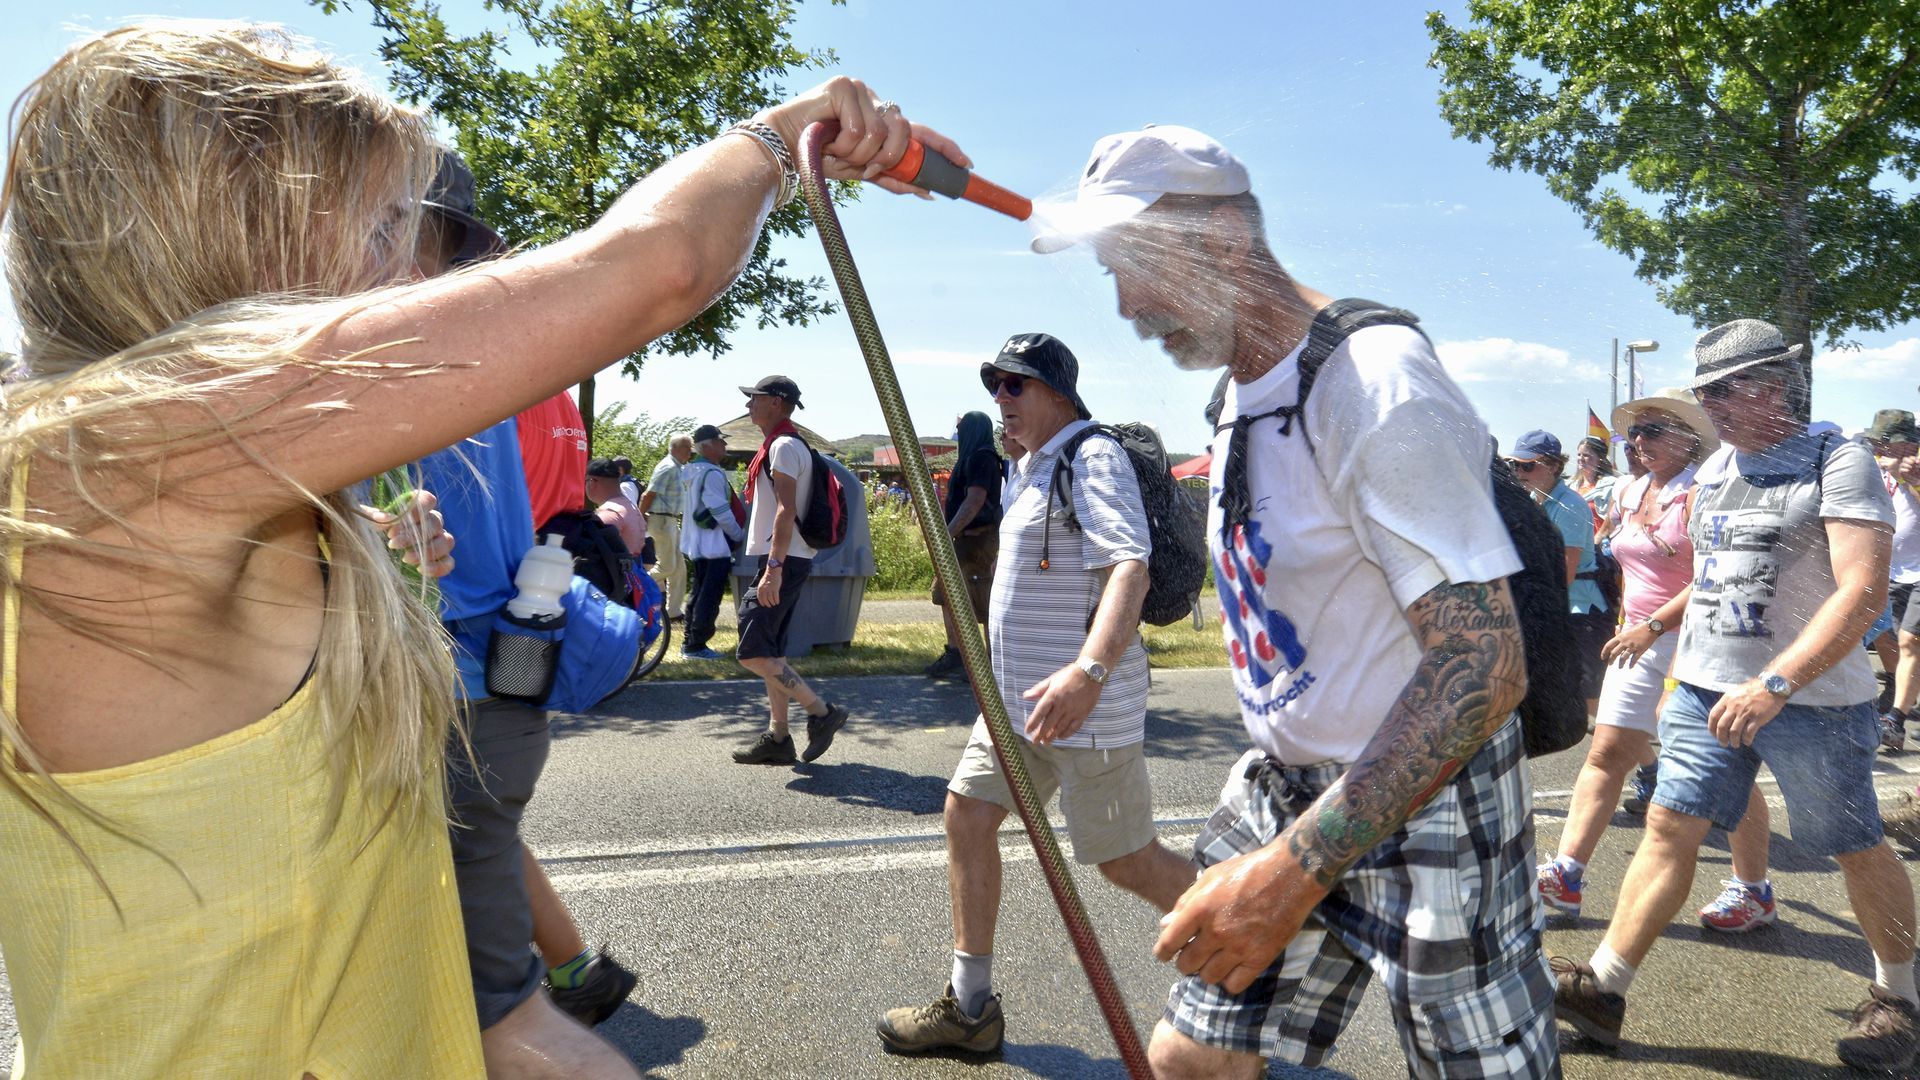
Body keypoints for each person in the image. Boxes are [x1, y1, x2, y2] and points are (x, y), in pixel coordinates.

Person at [0, 19, 946, 1076]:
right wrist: (778, 137)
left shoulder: (227, 494)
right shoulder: (108, 456)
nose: (406, 271)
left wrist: (517, 1030)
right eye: (377, 223)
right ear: (231, 233)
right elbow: (658, 267)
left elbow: (349, 911)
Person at [1032, 124, 1553, 1078]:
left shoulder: (1372, 380)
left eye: (1132, 266)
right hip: (1287, 786)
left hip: (1427, 795)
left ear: (1223, 236)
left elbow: (1484, 667)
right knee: (1191, 1060)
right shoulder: (1238, 392)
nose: (1128, 304)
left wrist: (1294, 873)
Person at [1552, 320, 1914, 1071]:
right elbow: (1710, 578)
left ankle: (1899, 997)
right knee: (1668, 826)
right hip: (1705, 690)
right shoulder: (1718, 472)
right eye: (1705, 391)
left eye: (1722, 389)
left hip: (1812, 701)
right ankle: (1605, 989)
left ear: (1773, 386)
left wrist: (1777, 681)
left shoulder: (1835, 458)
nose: (1709, 405)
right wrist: (1655, 626)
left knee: (1853, 846)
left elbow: (1862, 588)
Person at [877, 334, 1196, 1055]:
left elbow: (1129, 568)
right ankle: (969, 1009)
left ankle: (1251, 939)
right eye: (993, 383)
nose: (1000, 398)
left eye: (1014, 384)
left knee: (1127, 862)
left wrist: (1088, 673)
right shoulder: (1027, 468)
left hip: (1085, 708)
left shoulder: (1093, 456)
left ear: (1057, 390)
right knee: (966, 814)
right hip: (1016, 704)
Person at [411, 154, 640, 1057]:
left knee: (500, 1013)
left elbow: (454, 567)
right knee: (485, 848)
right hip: (502, 659)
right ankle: (578, 971)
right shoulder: (503, 369)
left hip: (467, 675)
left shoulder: (439, 374)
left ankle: (569, 984)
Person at [1537, 389, 1778, 931]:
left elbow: (1714, 574)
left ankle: (1755, 890)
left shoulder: (1708, 492)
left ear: (1689, 439)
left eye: (1654, 430)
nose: (1639, 441)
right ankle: (1565, 878)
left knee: (1724, 767)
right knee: (1606, 754)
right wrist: (1631, 624)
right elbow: (1626, 566)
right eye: (1635, 433)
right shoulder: (1631, 491)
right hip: (1638, 641)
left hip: (1699, 642)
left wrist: (1651, 626)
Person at [729, 376, 853, 766]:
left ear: (777, 404)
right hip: (785, 557)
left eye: (756, 398)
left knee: (751, 653)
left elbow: (786, 509)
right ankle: (778, 737)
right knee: (770, 651)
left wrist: (774, 569)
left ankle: (821, 712)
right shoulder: (785, 444)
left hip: (782, 558)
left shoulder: (782, 447)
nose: (749, 404)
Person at [1509, 429, 1613, 716]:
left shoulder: (1568, 506)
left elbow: (1563, 574)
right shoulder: (1535, 500)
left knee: (1589, 696)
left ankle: (1640, 754)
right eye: (1514, 464)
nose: (1519, 471)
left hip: (1579, 611)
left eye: (1528, 465)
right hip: (1559, 607)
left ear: (1554, 466)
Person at [923, 410, 1004, 680]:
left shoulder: (982, 457)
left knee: (984, 600)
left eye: (963, 429)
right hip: (967, 541)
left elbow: (975, 501)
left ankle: (991, 665)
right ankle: (957, 653)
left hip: (979, 541)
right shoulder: (972, 458)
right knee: (946, 592)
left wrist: (945, 534)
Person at [679, 422, 743, 660]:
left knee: (697, 592)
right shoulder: (713, 473)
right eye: (720, 441)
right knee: (709, 596)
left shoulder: (690, 470)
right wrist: (738, 535)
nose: (724, 445)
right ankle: (697, 645)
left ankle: (690, 641)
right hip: (714, 544)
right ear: (707, 446)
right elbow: (720, 510)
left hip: (696, 543)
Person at [639, 435, 692, 618]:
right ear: (675, 448)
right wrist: (639, 518)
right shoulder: (668, 467)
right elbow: (649, 494)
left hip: (669, 520)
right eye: (686, 447)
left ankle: (673, 612)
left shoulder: (678, 468)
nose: (690, 451)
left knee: (679, 569)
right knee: (668, 567)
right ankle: (634, 586)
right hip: (661, 521)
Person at [587, 457, 646, 566]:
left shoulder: (609, 513)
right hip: (634, 576)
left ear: (592, 482)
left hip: (615, 579)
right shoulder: (632, 508)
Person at [1575, 434, 1620, 521]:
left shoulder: (1611, 486)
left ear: (1599, 459)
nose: (1581, 458)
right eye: (1579, 454)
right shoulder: (1571, 486)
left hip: (1598, 534)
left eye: (1586, 455)